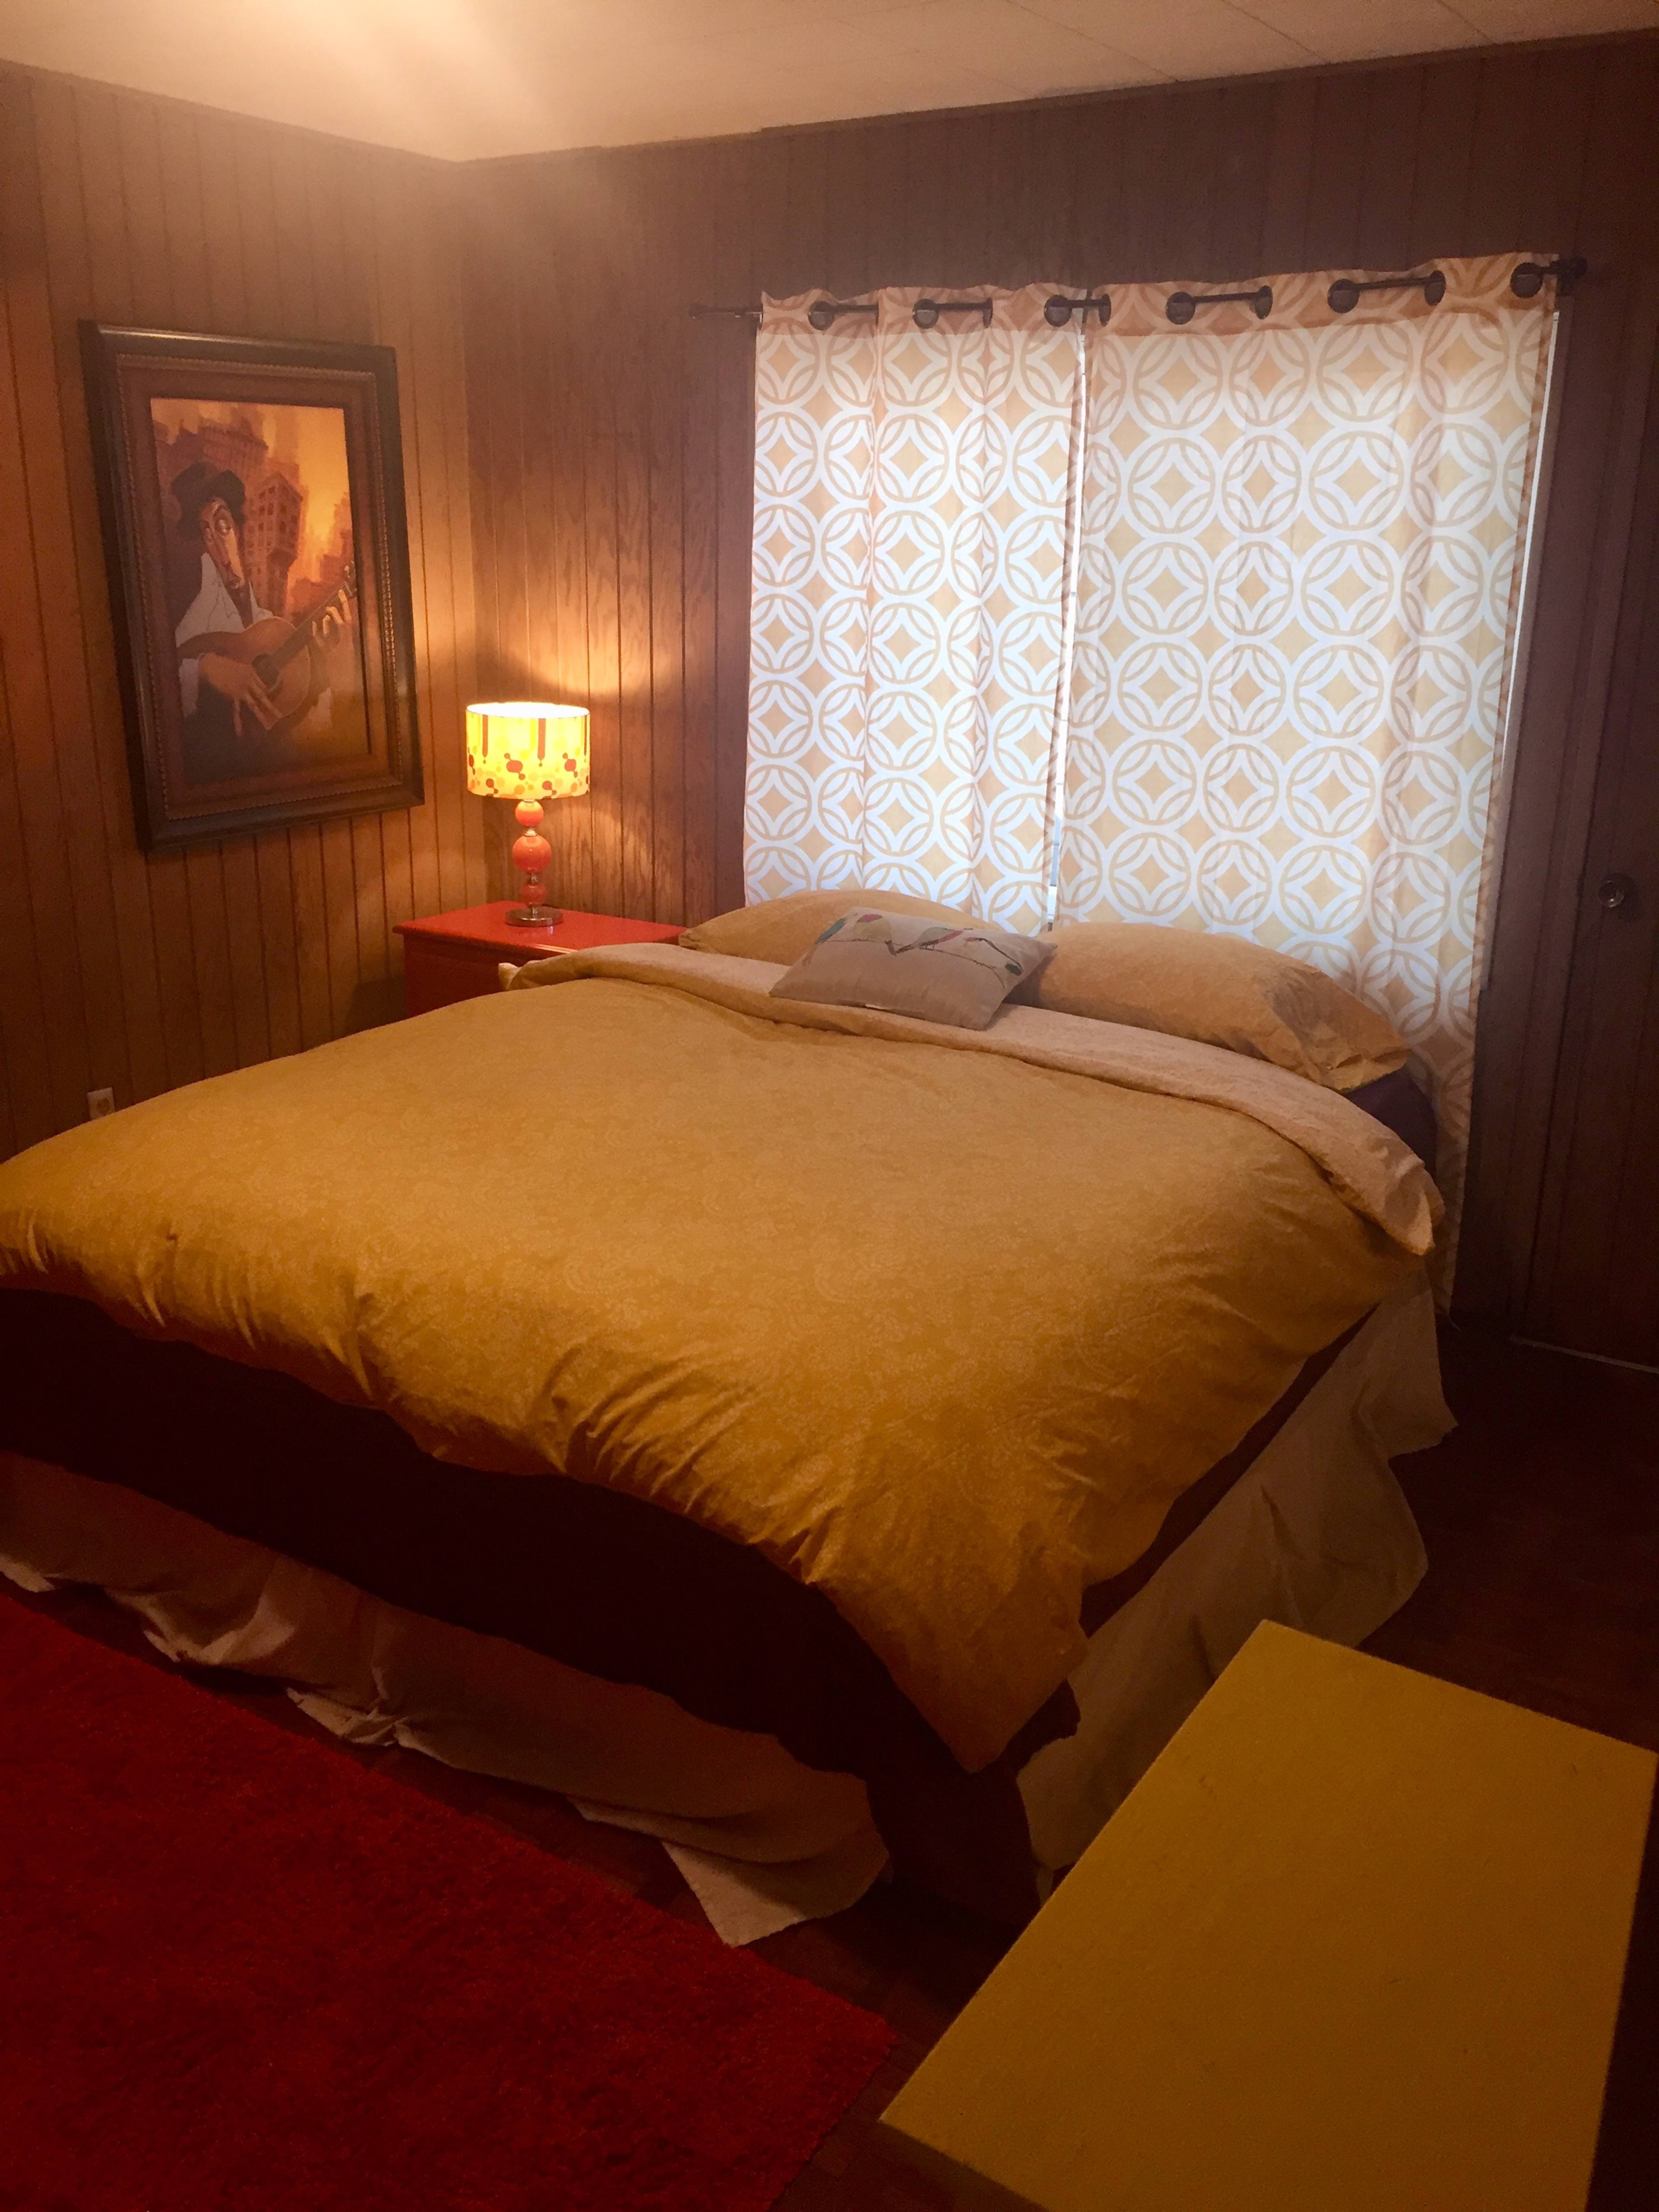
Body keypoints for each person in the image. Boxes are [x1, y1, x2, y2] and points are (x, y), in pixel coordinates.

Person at [171, 462, 281, 758]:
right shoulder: (201, 613)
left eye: (224, 527)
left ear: (240, 530)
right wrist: (207, 668)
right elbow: (165, 678)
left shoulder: (264, 620)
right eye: (208, 535)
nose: (220, 549)